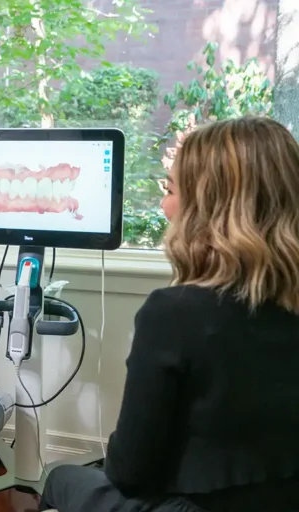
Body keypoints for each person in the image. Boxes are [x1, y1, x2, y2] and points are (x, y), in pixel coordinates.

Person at [41, 116, 299, 512]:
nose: (164, 205)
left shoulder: (175, 313)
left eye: (171, 189)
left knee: (59, 478)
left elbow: (128, 474)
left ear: (208, 205)